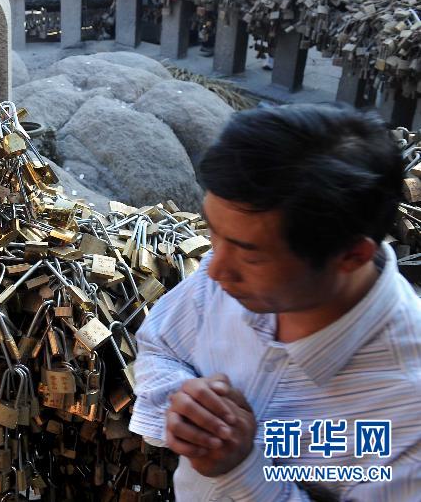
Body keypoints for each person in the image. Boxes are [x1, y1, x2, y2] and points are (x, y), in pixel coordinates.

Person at [130, 104, 421, 500]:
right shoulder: (233, 271)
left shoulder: (407, 411)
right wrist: (190, 408)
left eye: (251, 255)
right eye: (214, 233)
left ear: (351, 256)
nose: (215, 270)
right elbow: (160, 344)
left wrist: (241, 469)